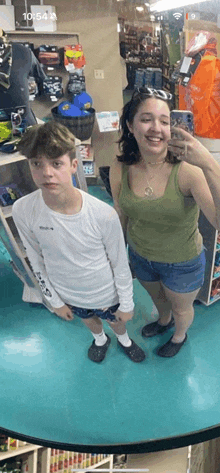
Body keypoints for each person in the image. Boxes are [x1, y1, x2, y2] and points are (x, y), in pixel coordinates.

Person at [12, 121, 145, 364]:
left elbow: (119, 263)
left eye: (56, 163)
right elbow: (35, 258)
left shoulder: (102, 214)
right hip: (69, 292)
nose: (47, 173)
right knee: (88, 319)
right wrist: (55, 301)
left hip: (106, 292)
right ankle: (100, 340)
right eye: (37, 164)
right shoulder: (23, 209)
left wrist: (126, 302)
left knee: (115, 321)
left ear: (74, 165)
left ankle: (124, 340)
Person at [110, 87, 220, 358]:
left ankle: (179, 335)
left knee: (182, 308)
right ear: (130, 125)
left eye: (164, 120)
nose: (156, 128)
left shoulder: (189, 172)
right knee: (159, 300)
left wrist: (208, 164)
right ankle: (163, 321)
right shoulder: (120, 166)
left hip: (182, 261)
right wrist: (118, 256)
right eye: (146, 119)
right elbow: (120, 213)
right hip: (140, 254)